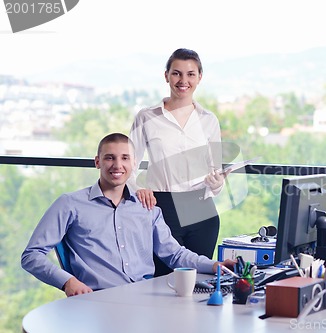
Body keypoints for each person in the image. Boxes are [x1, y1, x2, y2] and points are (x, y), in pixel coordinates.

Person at [21, 133, 234, 297]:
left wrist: (215, 265)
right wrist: (68, 282)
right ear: (97, 162)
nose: (117, 165)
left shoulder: (147, 207)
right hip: (98, 301)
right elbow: (32, 255)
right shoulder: (70, 204)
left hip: (146, 299)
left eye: (125, 158)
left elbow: (175, 255)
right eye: (109, 158)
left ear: (134, 164)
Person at [128, 48, 225, 275]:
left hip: (202, 209)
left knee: (199, 281)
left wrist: (216, 182)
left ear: (199, 77)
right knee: (161, 280)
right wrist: (138, 189)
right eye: (177, 73)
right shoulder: (147, 117)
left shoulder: (209, 120)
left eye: (191, 74)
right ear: (166, 76)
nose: (183, 81)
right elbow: (128, 166)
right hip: (162, 207)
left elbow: (217, 175)